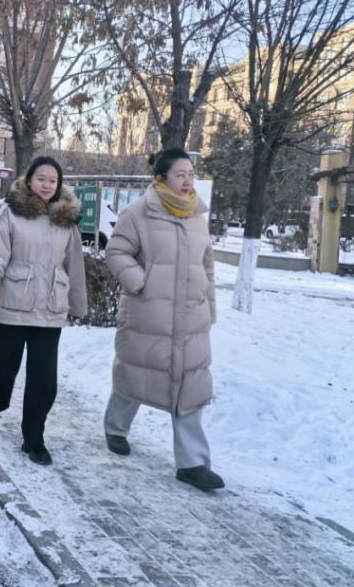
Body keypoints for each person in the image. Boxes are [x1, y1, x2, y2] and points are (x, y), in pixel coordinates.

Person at [103, 148, 224, 491]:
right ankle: (115, 427)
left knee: (190, 385)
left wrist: (209, 306)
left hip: (191, 317)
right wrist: (140, 282)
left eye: (191, 174)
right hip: (148, 313)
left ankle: (193, 463)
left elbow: (206, 266)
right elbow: (117, 252)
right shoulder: (138, 212)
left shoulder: (196, 215)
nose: (187, 181)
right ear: (161, 178)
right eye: (180, 175)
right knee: (135, 375)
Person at [0, 157, 88, 466]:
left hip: (50, 308)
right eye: (41, 178)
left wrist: (77, 304)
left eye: (53, 180)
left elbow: (74, 265)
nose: (47, 185)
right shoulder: (11, 214)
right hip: (12, 303)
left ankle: (34, 437)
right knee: (1, 366)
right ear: (29, 180)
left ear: (59, 184)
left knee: (44, 378)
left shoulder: (66, 220)